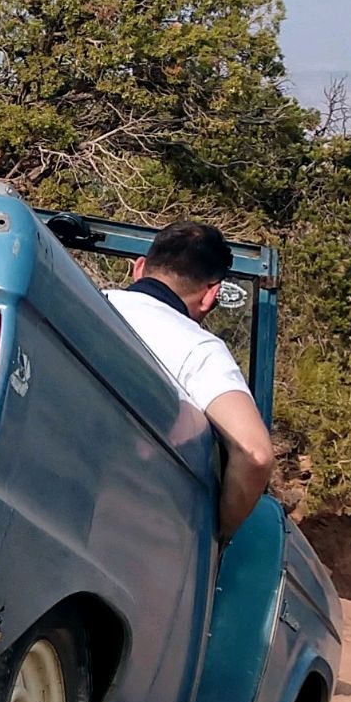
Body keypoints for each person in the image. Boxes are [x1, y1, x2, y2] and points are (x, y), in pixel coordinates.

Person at [104, 221, 276, 539]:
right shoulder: (200, 350)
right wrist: (216, 539)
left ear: (139, 267)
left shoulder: (85, 303)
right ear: (212, 294)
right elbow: (255, 454)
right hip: (121, 525)